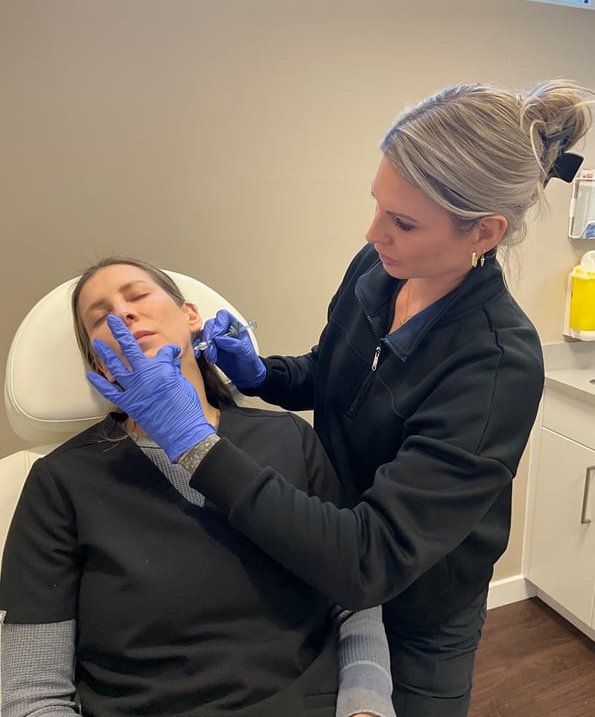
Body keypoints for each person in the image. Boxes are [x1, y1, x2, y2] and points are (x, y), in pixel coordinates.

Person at [67, 79, 591, 717]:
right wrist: (261, 373)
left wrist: (191, 442)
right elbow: (334, 373)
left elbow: (370, 561)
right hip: (318, 546)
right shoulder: (380, 269)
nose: (373, 233)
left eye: (401, 222)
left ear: (483, 232)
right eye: (376, 204)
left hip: (415, 599)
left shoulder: (496, 365)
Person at [0, 258, 396, 717]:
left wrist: (365, 707)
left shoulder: (288, 437)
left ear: (191, 318)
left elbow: (354, 600)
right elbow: (31, 692)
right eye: (99, 316)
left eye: (137, 295)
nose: (122, 314)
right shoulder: (61, 482)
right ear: (98, 363)